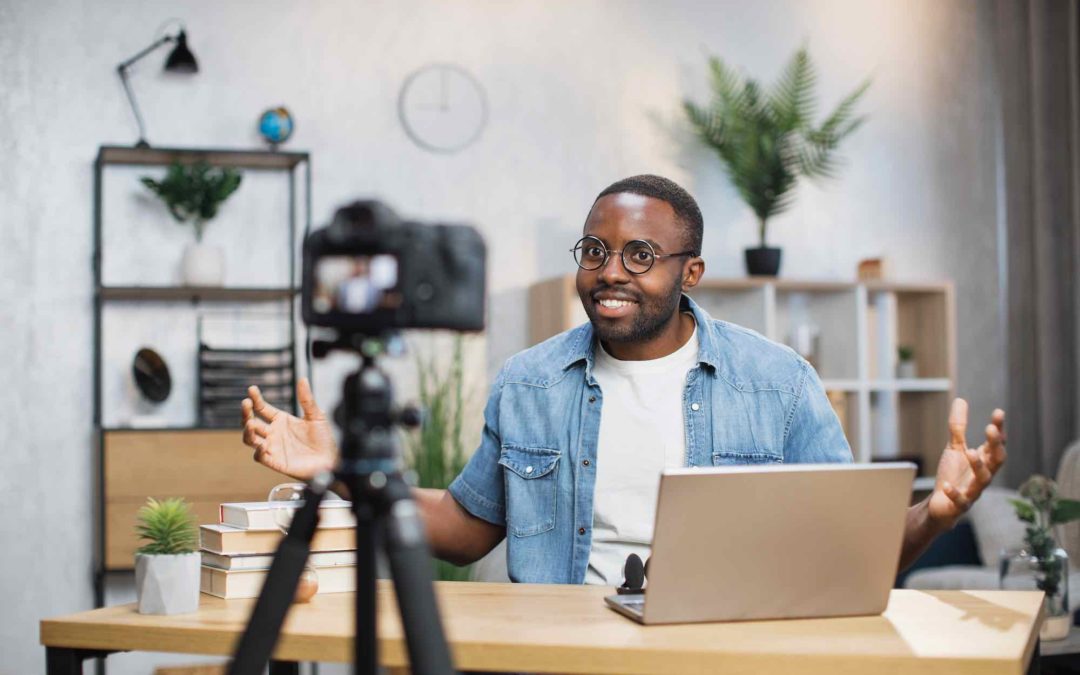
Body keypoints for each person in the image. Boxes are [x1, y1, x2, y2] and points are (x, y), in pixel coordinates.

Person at [242, 175, 1006, 585]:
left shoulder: (779, 382)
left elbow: (851, 556)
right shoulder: (530, 380)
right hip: (568, 654)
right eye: (594, 249)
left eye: (640, 254)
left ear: (691, 272)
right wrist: (344, 470)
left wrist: (936, 513)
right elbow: (470, 530)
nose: (610, 271)